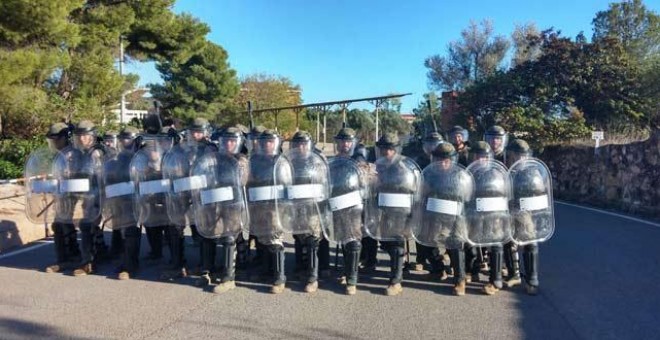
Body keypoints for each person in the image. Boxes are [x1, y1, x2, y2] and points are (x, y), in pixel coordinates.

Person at [368, 133, 421, 296]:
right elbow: (371, 188)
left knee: (397, 244)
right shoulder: (377, 166)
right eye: (384, 148)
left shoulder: (406, 166)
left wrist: (414, 213)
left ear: (396, 149)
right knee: (385, 243)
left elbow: (415, 188)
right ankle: (398, 267)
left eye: (390, 148)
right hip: (383, 210)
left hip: (401, 211)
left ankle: (395, 281)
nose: (387, 152)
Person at [246, 129, 292, 294]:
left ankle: (279, 277)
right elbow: (249, 181)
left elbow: (287, 185)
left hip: (275, 206)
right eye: (265, 141)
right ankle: (265, 271)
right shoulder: (255, 160)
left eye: (271, 141)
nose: (267, 144)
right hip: (258, 206)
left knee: (275, 240)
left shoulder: (281, 161)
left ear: (276, 143)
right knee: (262, 239)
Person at [37, 123, 81, 273]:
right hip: (61, 192)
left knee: (62, 224)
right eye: (52, 140)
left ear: (65, 138)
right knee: (60, 224)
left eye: (56, 139)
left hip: (70, 193)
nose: (54, 143)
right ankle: (68, 257)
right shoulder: (60, 154)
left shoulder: (71, 154)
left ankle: (69, 258)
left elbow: (73, 174)